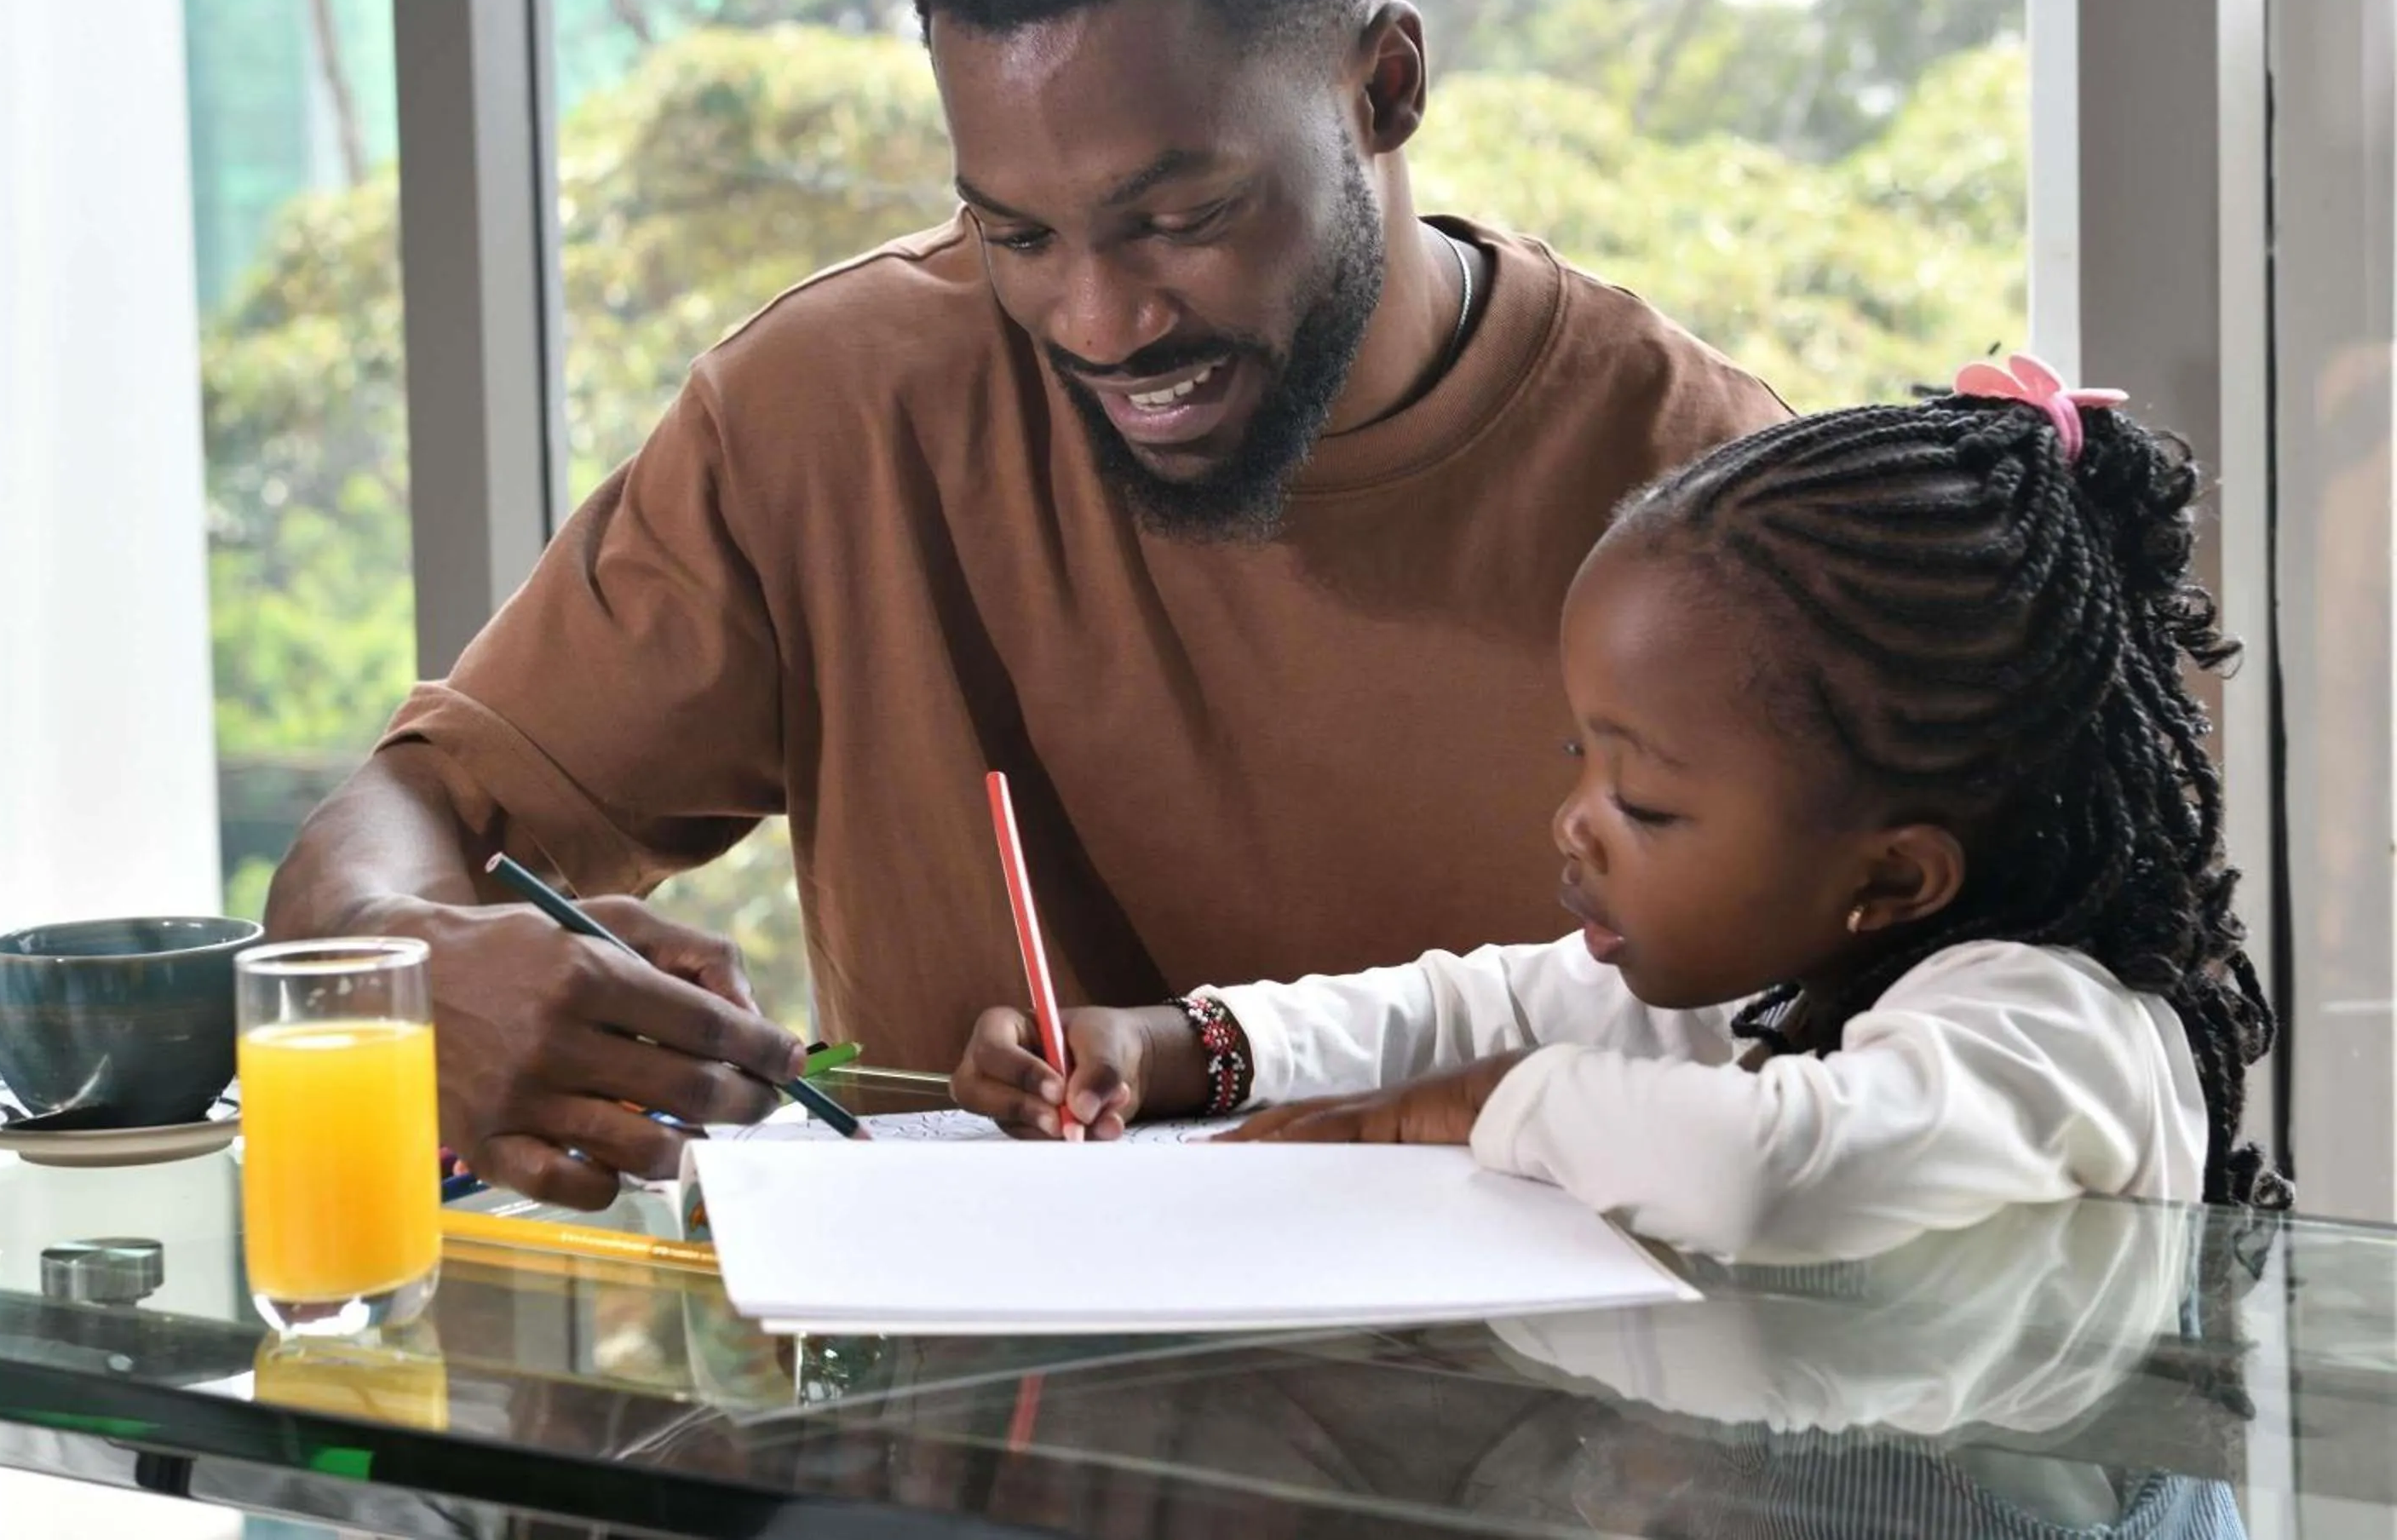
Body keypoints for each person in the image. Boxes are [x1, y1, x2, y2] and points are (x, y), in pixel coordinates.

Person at [266, 0, 1785, 1208]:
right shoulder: (832, 418)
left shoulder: (1724, 503)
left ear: (1383, 87)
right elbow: (403, 819)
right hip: (968, 1366)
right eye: (1017, 233)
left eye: (1181, 216)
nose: (1102, 323)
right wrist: (403, 971)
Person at [955, 358, 2289, 1261]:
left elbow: (1772, 1170)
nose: (1572, 822)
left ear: (1893, 877)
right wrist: (1179, 1046)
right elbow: (1470, 1007)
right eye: (1578, 754)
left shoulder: (2053, 1027)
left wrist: (1474, 1105)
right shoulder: (1792, 965)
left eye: (1643, 801)